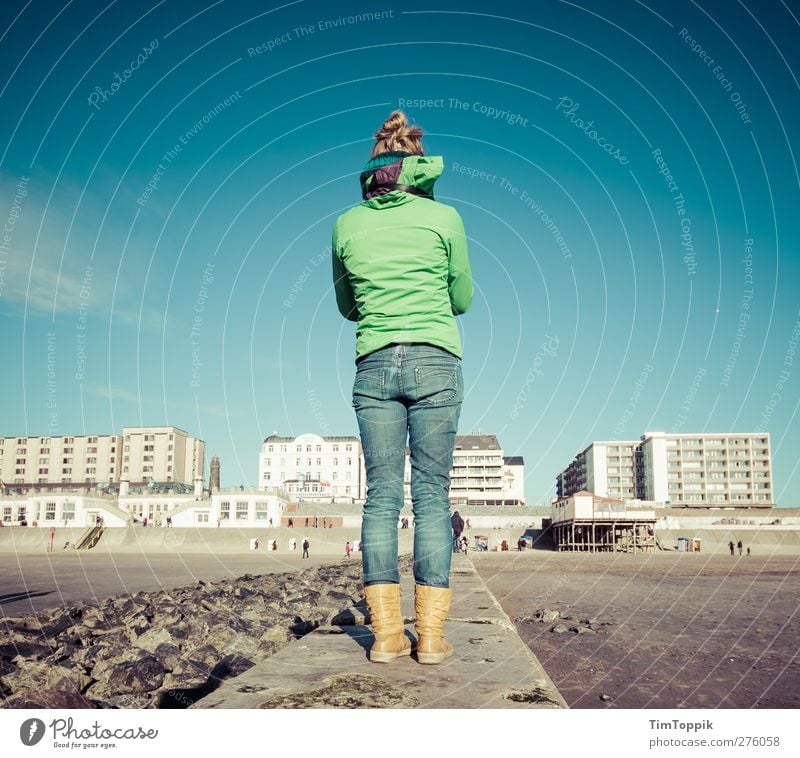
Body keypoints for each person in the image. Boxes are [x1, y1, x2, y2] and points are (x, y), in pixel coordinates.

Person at [333, 110, 473, 665]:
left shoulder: (346, 223)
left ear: (373, 174)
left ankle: (387, 636)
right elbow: (461, 297)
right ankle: (432, 638)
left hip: (373, 362)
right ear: (418, 169)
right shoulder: (445, 218)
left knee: (382, 495)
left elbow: (348, 305)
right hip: (437, 357)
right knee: (432, 495)